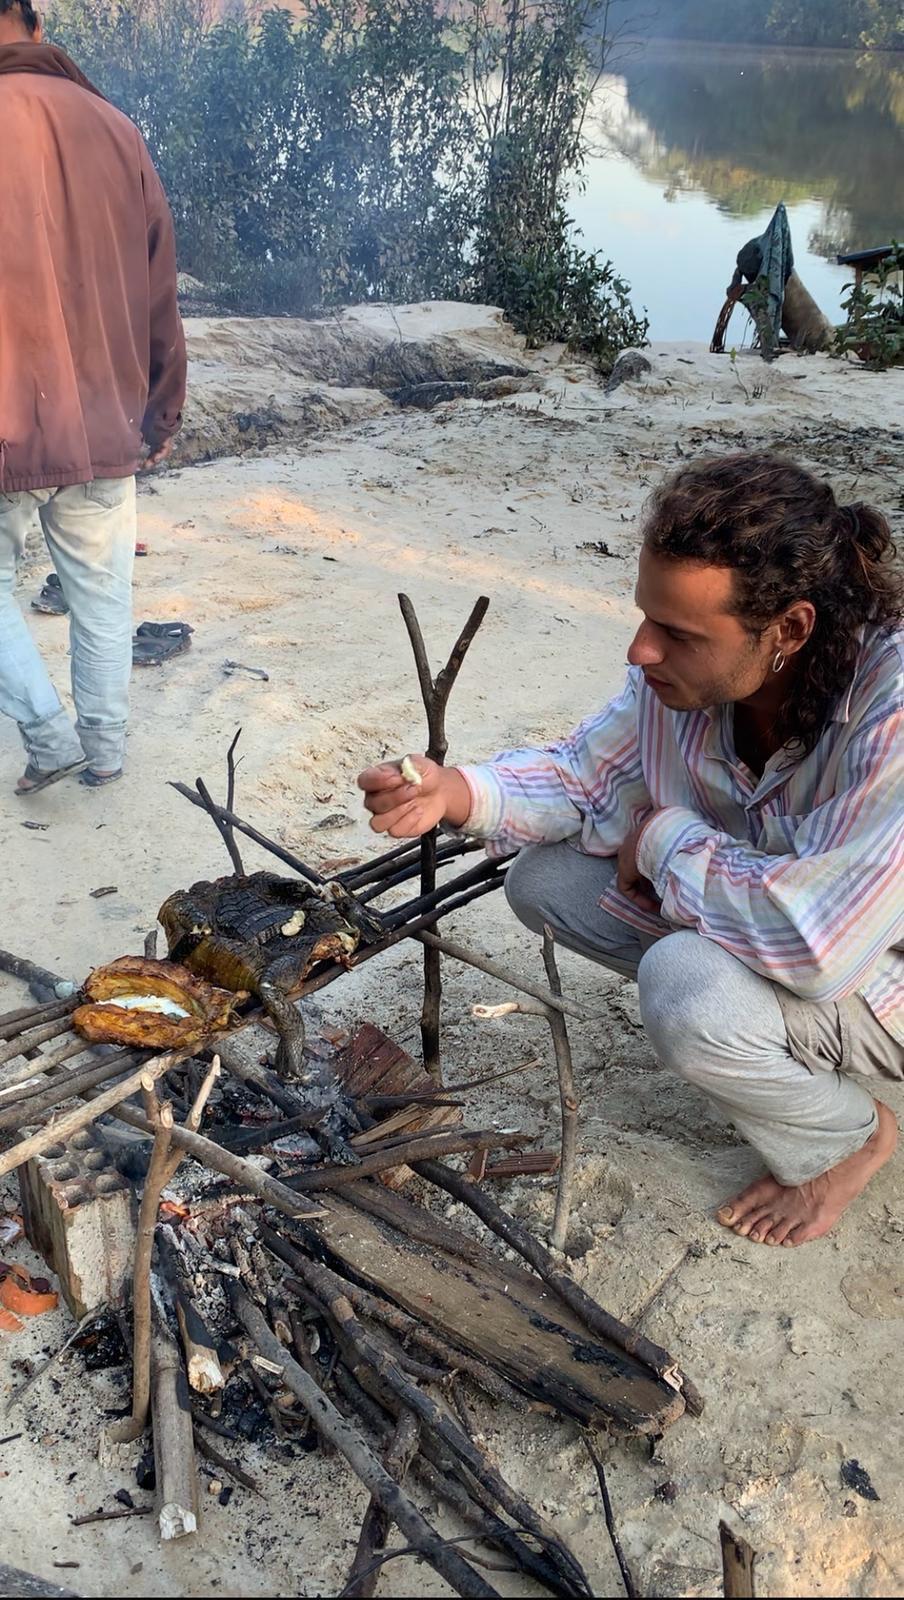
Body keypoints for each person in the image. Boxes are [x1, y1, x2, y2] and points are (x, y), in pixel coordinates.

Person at [358, 452, 903, 1248]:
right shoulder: (690, 682)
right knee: (546, 881)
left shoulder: (890, 712)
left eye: (676, 633)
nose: (640, 650)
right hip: (797, 928)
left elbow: (816, 943)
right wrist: (454, 791)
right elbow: (586, 773)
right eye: (647, 617)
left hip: (880, 970)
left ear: (789, 629)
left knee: (688, 986)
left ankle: (845, 1141)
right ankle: (756, 1038)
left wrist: (660, 839)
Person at [0, 0, 186, 791]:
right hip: (105, 413)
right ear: (35, 25)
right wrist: (161, 410)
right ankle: (104, 752)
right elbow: (158, 286)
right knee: (104, 595)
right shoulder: (115, 128)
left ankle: (49, 738)